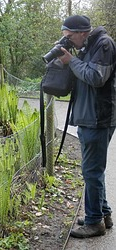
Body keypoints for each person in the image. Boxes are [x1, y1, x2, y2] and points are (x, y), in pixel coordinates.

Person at [58, 15, 116, 238]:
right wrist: (68, 59)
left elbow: (95, 77)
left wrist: (71, 61)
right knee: (93, 171)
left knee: (91, 171)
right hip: (88, 117)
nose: (69, 41)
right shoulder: (87, 46)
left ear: (82, 32)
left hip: (98, 118)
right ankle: (103, 214)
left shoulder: (104, 44)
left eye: (70, 37)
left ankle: (94, 223)